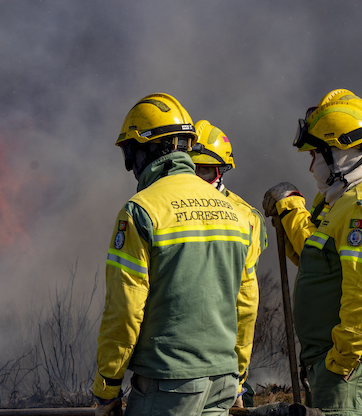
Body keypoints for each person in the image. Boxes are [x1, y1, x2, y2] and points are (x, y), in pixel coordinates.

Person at [93, 93, 255, 416]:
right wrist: (237, 375)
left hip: (169, 385)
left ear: (150, 150)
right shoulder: (235, 212)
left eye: (131, 153)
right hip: (222, 380)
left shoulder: (140, 212)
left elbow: (124, 311)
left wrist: (107, 386)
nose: (130, 166)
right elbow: (246, 304)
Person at [262, 89, 362, 416]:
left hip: (349, 369)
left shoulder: (361, 209)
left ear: (340, 153)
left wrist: (339, 361)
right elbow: (315, 258)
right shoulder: (342, 199)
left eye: (316, 154)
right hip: (335, 363)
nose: (312, 164)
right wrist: (290, 209)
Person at [189, 120, 267, 408]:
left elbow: (245, 304)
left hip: (221, 361)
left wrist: (238, 377)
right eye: (190, 169)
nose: (196, 179)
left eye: (205, 170)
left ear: (222, 171)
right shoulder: (159, 208)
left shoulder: (247, 218)